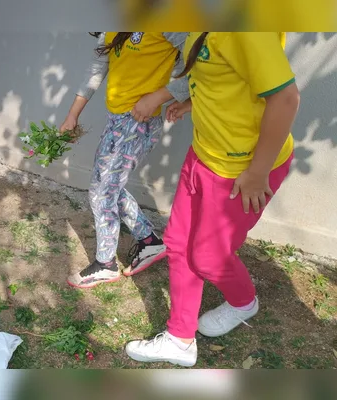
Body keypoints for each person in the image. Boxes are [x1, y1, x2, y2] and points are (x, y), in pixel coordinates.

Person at [125, 32, 299, 366]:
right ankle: (179, 339)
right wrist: (193, 102)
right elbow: (222, 75)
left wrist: (258, 172)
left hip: (240, 172)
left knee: (208, 257)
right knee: (177, 242)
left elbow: (286, 99)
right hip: (204, 155)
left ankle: (244, 302)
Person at [62, 32, 189, 289]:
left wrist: (160, 97)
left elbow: (201, 68)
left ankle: (106, 265)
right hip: (117, 118)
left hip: (137, 121)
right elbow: (98, 65)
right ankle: (149, 242)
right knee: (108, 186)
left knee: (102, 191)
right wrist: (72, 114)